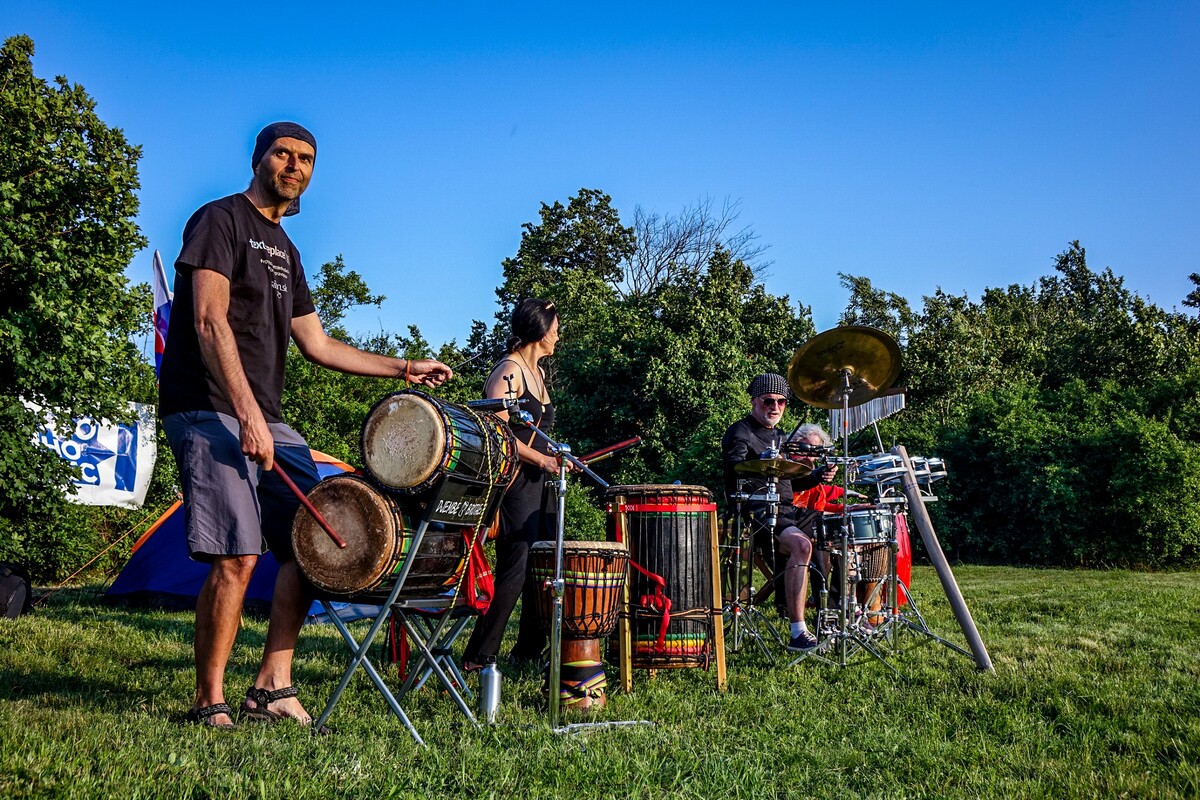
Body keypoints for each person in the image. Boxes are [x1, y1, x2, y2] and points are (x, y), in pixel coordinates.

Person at [159, 122, 453, 729]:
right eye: (283, 154)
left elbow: (316, 342)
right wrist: (245, 414)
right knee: (238, 556)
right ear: (258, 159)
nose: (294, 166)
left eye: (306, 159)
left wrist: (404, 367)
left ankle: (271, 685)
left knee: (311, 543)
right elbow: (209, 323)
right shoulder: (219, 221)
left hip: (266, 417)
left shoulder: (287, 251)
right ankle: (207, 700)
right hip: (209, 408)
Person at [461, 298, 575, 672]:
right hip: (515, 482)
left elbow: (539, 434)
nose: (558, 334)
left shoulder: (538, 372)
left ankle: (528, 649)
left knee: (544, 565)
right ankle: (478, 656)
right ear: (541, 330)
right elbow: (496, 433)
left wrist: (557, 460)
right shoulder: (507, 371)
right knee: (516, 565)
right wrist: (541, 459)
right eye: (555, 327)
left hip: (542, 480)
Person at [721, 374, 830, 651]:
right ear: (754, 401)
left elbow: (789, 480)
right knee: (801, 544)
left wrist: (818, 475)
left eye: (781, 402)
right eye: (769, 401)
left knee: (834, 529)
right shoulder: (740, 432)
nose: (776, 407)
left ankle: (831, 618)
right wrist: (761, 460)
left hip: (787, 509)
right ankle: (798, 631)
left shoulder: (780, 436)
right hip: (757, 510)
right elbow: (734, 468)